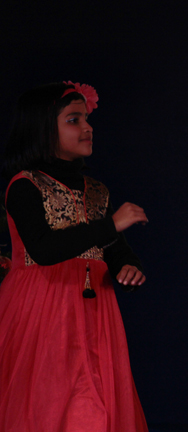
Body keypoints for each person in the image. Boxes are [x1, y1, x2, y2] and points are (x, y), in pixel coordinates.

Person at [0, 82, 149, 431]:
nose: (87, 127)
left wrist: (128, 268)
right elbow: (43, 249)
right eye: (73, 120)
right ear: (42, 128)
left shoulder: (96, 191)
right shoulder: (25, 185)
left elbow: (114, 249)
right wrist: (111, 224)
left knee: (94, 402)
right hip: (42, 310)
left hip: (95, 313)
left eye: (86, 118)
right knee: (48, 401)